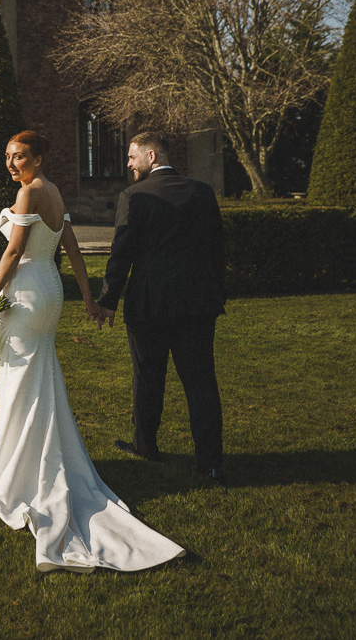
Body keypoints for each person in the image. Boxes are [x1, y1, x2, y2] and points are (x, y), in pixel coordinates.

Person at [0, 131, 186, 572]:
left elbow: (14, 250)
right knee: (40, 375)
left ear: (39, 157)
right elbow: (69, 246)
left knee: (17, 378)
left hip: (28, 292)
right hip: (48, 292)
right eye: (8, 157)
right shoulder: (51, 189)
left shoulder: (29, 192)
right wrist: (87, 297)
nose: (12, 164)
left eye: (20, 157)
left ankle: (19, 472)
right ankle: (37, 456)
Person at [94, 132, 227, 484]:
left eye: (131, 157)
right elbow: (218, 248)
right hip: (198, 303)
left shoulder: (133, 196)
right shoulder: (202, 192)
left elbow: (120, 252)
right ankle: (211, 461)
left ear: (151, 156)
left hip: (149, 304)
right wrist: (216, 294)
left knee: (148, 377)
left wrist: (107, 301)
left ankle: (146, 446)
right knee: (201, 381)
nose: (127, 164)